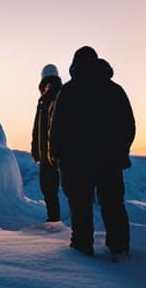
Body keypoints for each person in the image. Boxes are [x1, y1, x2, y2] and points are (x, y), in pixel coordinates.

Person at [49, 46, 136, 262]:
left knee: (81, 207)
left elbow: (57, 128)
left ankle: (82, 249)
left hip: (77, 161)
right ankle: (119, 249)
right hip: (110, 161)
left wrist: (57, 155)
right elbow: (129, 126)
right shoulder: (115, 90)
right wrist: (120, 149)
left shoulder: (69, 91)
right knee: (113, 205)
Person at [30, 63, 64, 223]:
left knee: (49, 187)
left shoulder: (48, 98)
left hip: (51, 153)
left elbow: (38, 129)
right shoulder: (46, 99)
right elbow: (38, 128)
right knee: (50, 187)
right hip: (54, 152)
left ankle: (54, 219)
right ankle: (54, 219)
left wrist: (36, 150)